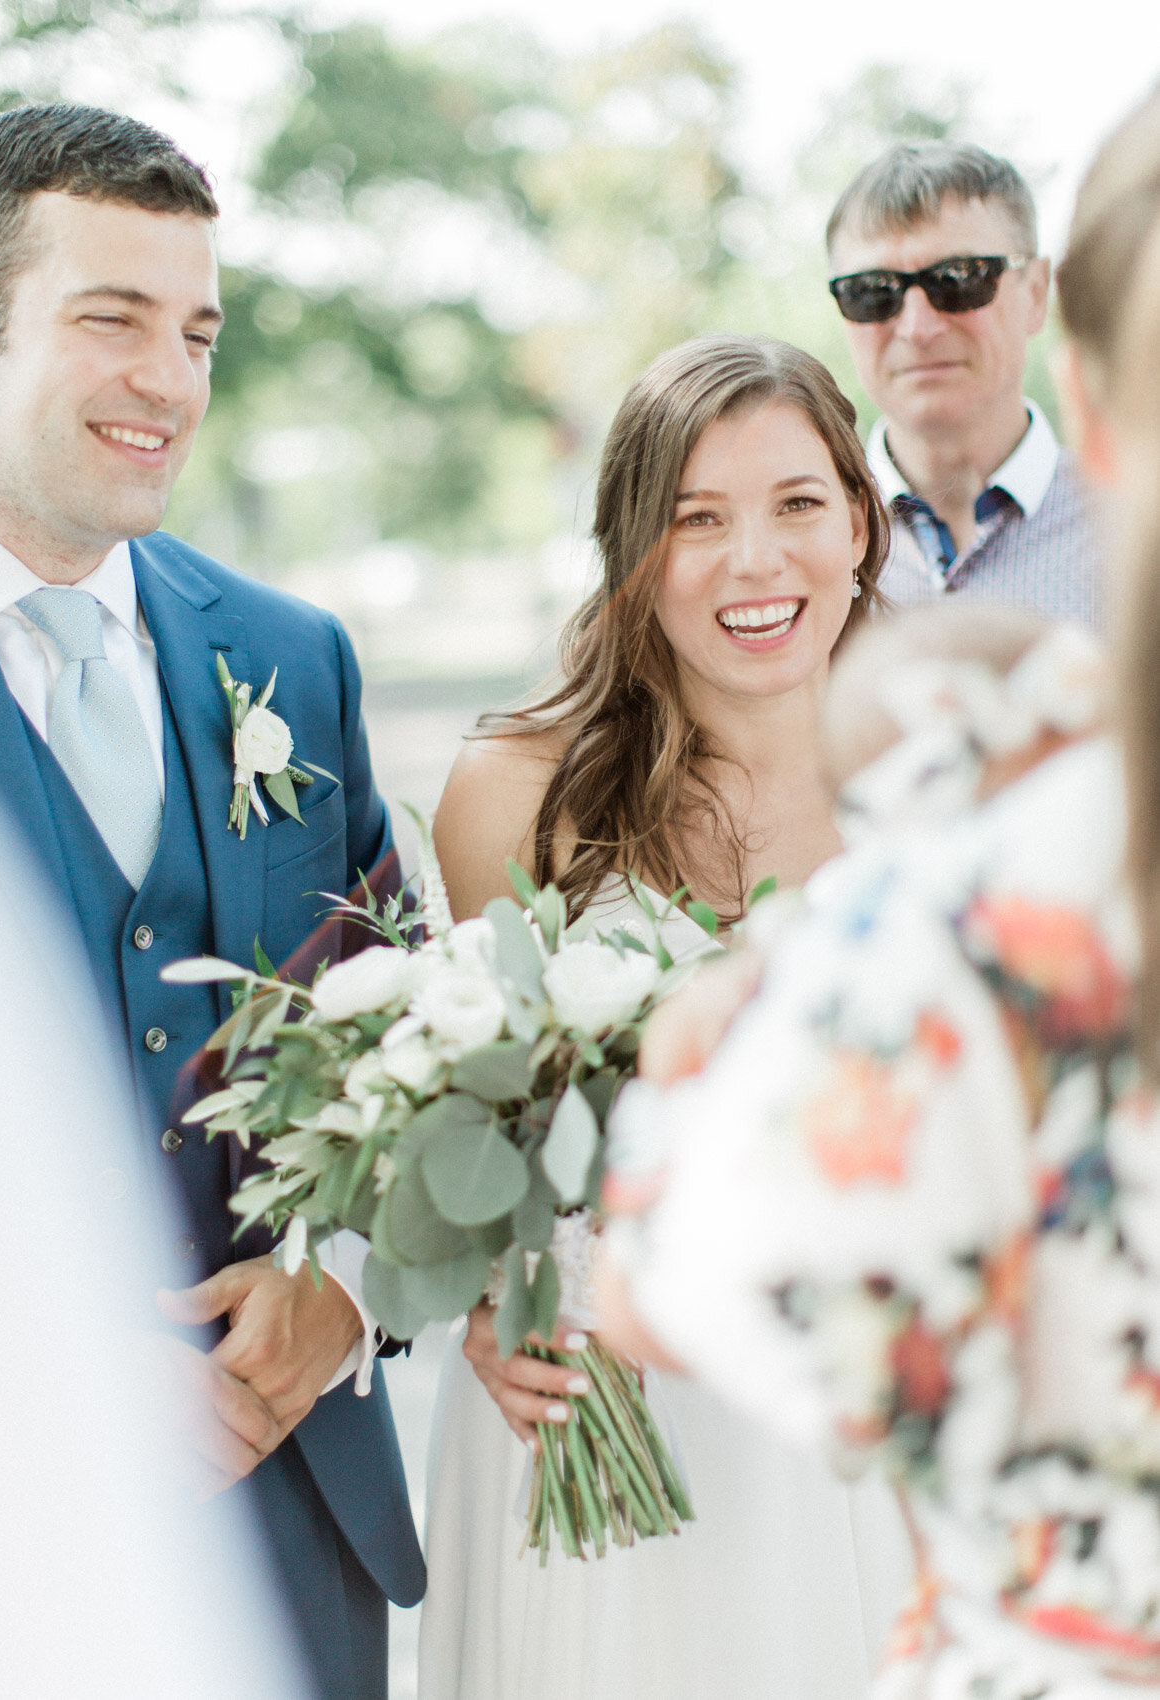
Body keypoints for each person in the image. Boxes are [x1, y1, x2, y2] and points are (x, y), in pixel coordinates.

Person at [596, 87, 1160, 1700]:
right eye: (872, 293)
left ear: (1093, 409)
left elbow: (729, 1304)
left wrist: (703, 1065)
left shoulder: (1000, 897)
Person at [0, 103, 422, 1698]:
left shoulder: (292, 658)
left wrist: (345, 1287)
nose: (169, 383)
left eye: (195, 331)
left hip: (290, 1536)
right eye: (110, 320)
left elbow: (415, 1039)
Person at [419, 333, 914, 1699]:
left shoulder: (948, 784)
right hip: (591, 1429)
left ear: (858, 523)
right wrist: (486, 1294)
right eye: (696, 520)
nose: (755, 561)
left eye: (796, 504)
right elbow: (474, 1132)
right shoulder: (515, 792)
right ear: (632, 550)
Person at [0, 683, 310, 1699]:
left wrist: (343, 1288)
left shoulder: (296, 650)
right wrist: (42, 1350)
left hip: (304, 1521)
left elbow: (398, 1005)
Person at [827, 142, 1104, 628]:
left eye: (957, 279)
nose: (917, 327)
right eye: (872, 291)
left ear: (1037, 293)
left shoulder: (1134, 527)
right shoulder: (802, 544)